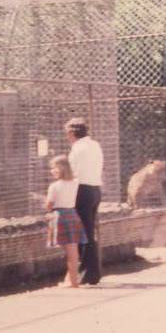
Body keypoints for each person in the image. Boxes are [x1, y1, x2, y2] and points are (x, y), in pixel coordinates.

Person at [65, 117, 104, 285]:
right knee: (89, 231)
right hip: (95, 189)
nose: (67, 137)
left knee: (83, 233)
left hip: (82, 190)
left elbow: (74, 173)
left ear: (73, 132)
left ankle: (89, 273)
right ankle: (90, 272)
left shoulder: (77, 148)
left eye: (67, 133)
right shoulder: (95, 145)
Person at [44, 154, 85, 288]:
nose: (52, 171)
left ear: (62, 168)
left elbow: (49, 204)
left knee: (69, 253)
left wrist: (45, 205)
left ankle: (73, 283)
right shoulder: (75, 183)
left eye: (54, 168)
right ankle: (72, 280)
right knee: (73, 252)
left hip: (60, 216)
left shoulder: (54, 186)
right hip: (72, 214)